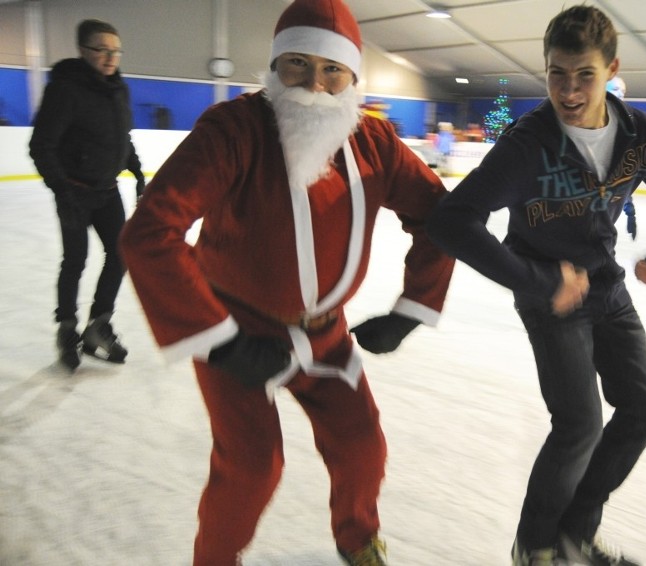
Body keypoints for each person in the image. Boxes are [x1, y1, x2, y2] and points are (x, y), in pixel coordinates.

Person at [119, 1, 454, 565]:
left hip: (326, 337)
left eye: (332, 70)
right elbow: (151, 231)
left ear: (352, 78)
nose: (314, 86)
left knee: (362, 448)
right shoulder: (235, 130)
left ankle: (357, 539)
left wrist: (413, 307)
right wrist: (218, 340)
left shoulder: (375, 143)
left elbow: (440, 218)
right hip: (236, 331)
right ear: (274, 66)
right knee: (251, 467)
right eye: (297, 64)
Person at [427, 5, 646, 566]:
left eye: (584, 74)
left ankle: (573, 535)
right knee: (579, 423)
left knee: (643, 412)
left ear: (611, 69)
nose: (570, 89)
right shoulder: (527, 145)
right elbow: (451, 220)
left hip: (607, 288)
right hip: (546, 293)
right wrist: (538, 280)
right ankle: (534, 546)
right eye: (557, 73)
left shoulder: (641, 135)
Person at [29, 18, 146, 372]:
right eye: (101, 49)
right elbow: (41, 146)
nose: (110, 57)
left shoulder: (117, 89)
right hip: (74, 192)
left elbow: (120, 138)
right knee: (75, 259)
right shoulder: (65, 90)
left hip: (107, 190)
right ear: (83, 51)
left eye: (115, 50)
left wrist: (137, 172)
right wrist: (61, 190)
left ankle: (98, 325)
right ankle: (67, 328)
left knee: (121, 252)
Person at [605, 77, 635, 240]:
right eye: (615, 90)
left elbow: (624, 175)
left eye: (622, 92)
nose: (620, 95)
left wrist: (630, 211)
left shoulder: (625, 126)